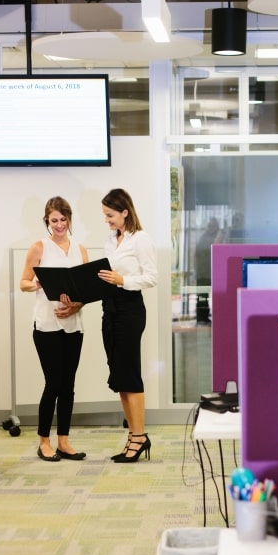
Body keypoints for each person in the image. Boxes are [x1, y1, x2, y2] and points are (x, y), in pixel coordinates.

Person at [19, 196, 88, 462]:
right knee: (54, 383)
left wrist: (75, 306)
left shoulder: (80, 250)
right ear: (47, 221)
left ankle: (64, 441)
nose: (59, 225)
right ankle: (44, 441)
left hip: (73, 324)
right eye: (54, 221)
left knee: (68, 385)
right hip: (46, 325)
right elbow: (23, 283)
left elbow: (84, 291)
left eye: (63, 219)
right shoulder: (39, 247)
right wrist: (38, 284)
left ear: (69, 219)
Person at [98, 188, 158, 463]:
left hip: (130, 309)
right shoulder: (111, 239)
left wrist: (123, 280)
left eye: (110, 215)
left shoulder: (140, 239)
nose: (107, 220)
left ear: (125, 212)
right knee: (119, 375)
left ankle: (140, 436)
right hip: (109, 309)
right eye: (105, 215)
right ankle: (134, 435)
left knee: (130, 373)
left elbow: (151, 277)